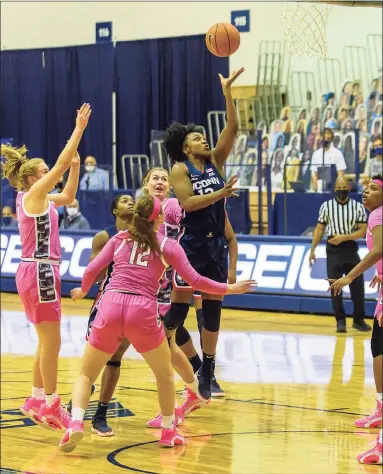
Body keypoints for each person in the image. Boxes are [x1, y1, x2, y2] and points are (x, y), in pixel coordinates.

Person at [59, 195, 255, 452]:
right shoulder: (168, 246)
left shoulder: (118, 239)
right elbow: (196, 280)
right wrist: (230, 288)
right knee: (163, 375)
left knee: (86, 373)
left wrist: (82, 291)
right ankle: (168, 430)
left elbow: (93, 268)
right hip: (141, 310)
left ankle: (75, 424)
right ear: (159, 218)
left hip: (110, 305)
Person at [1, 103, 91, 431]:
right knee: (52, 342)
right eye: (44, 171)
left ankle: (37, 397)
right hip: (40, 272)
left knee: (44, 339)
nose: (48, 174)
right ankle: (53, 402)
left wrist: (76, 166)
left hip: (33, 272)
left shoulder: (38, 198)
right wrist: (78, 129)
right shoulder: (34, 193)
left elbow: (67, 195)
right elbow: (61, 165)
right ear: (31, 178)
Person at [162, 67, 244, 400]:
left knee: (212, 311)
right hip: (191, 245)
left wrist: (227, 93)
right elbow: (188, 202)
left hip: (216, 247)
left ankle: (207, 370)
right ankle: (157, 340)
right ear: (184, 147)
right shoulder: (180, 169)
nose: (203, 139)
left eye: (203, 136)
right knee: (181, 310)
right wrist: (220, 194)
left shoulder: (216, 163)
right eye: (196, 138)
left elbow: (233, 127)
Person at [66, 193, 135, 436]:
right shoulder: (105, 237)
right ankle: (80, 400)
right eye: (125, 200)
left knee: (115, 359)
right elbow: (93, 273)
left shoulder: (143, 233)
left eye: (132, 199)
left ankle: (101, 414)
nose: (131, 202)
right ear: (115, 210)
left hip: (135, 306)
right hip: (106, 304)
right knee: (93, 360)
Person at [329, 175, 382, 465]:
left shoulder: (377, 215)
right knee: (377, 349)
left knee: (380, 351)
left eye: (373, 189)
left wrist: (350, 276)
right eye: (366, 187)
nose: (366, 192)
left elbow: (378, 250)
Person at [309, 176, 371, 333]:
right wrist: (312, 250)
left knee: (357, 286)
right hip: (333, 250)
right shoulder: (326, 206)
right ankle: (340, 321)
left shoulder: (357, 207)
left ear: (349, 188)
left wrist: (344, 237)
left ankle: (358, 320)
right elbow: (319, 230)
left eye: (344, 188)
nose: (342, 191)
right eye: (339, 188)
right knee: (335, 286)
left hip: (350, 248)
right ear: (335, 189)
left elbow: (363, 231)